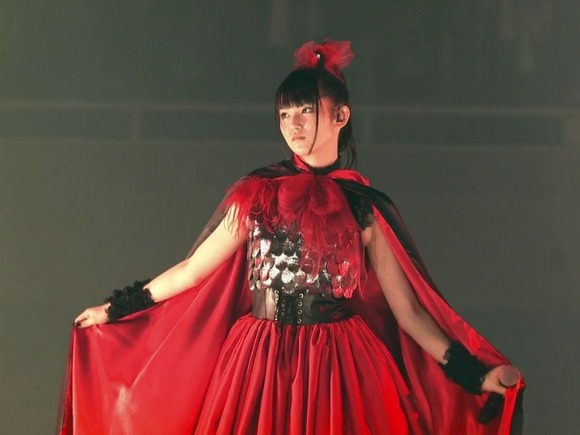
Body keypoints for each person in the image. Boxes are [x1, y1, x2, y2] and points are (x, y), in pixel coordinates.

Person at [58, 40, 524, 435]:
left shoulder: (363, 207)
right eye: (284, 113)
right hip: (257, 359)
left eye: (306, 110)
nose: (293, 124)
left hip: (338, 365)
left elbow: (409, 313)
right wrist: (116, 308)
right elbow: (192, 270)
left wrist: (475, 374)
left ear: (341, 116)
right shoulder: (259, 194)